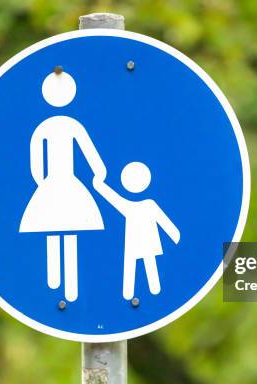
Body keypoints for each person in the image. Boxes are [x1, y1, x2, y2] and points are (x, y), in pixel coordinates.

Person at [20, 67, 106, 302]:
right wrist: (99, 173)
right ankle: (62, 287)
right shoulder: (69, 126)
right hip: (66, 184)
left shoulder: (45, 128)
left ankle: (61, 285)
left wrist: (42, 184)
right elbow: (91, 156)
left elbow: (36, 163)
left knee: (58, 228)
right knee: (67, 229)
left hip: (53, 184)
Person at [93, 161, 180, 300]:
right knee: (135, 265)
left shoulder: (145, 205)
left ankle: (151, 291)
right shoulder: (135, 206)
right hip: (136, 242)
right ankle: (130, 294)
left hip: (145, 241)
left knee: (145, 265)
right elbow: (113, 198)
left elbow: (163, 220)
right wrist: (99, 186)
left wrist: (174, 234)